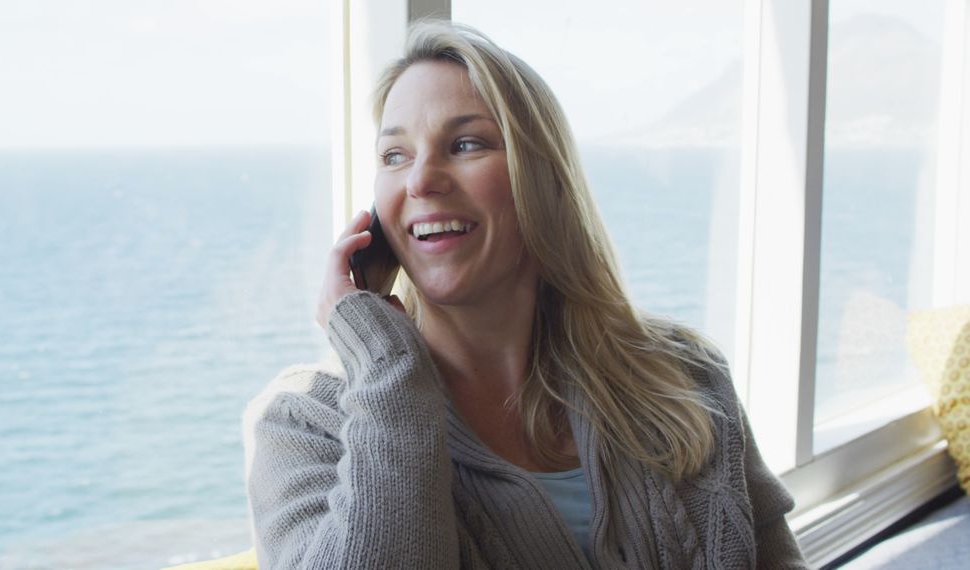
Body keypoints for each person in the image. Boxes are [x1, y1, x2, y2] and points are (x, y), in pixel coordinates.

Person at [243, 20, 808, 569]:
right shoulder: (301, 424)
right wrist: (385, 362)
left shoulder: (686, 379)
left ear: (543, 181)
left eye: (465, 144)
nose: (420, 180)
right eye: (395, 155)